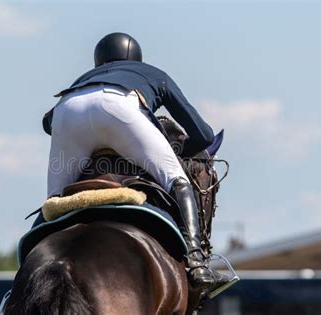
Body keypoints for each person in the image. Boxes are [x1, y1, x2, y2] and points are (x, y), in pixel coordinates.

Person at [42, 32, 225, 291]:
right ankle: (196, 261)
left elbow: (48, 125)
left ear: (99, 61)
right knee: (178, 180)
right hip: (121, 108)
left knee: (54, 203)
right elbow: (204, 135)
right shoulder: (150, 72)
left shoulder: (83, 79)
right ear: (137, 57)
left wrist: (87, 138)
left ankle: (31, 269)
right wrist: (179, 150)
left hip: (67, 111)